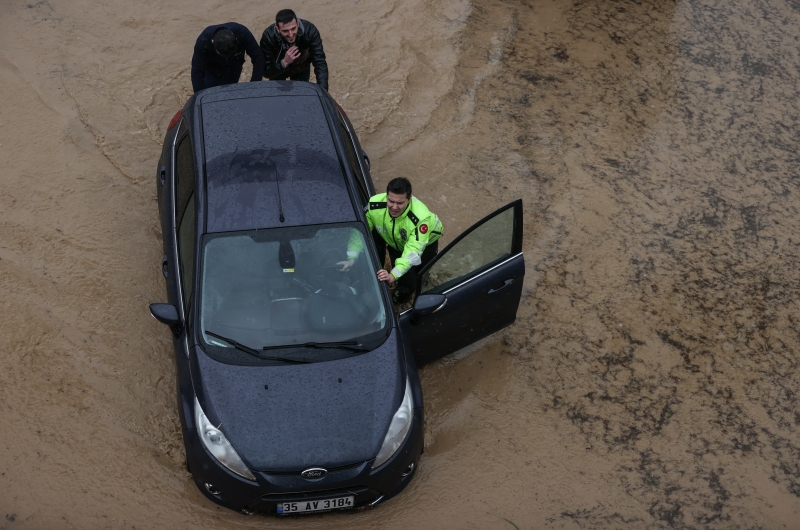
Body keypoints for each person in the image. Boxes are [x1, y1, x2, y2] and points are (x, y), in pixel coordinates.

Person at [341, 178, 444, 304]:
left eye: (400, 203)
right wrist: (352, 257)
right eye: (391, 201)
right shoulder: (374, 205)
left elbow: (412, 251)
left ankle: (406, 295)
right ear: (386, 196)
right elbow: (360, 233)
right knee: (404, 275)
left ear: (409, 199)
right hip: (395, 242)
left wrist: (392, 275)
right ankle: (400, 292)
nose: (394, 207)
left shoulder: (421, 219)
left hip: (425, 244)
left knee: (420, 273)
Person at [260, 9, 329, 91]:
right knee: (280, 96)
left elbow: (320, 62)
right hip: (277, 69)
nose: (291, 34)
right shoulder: (268, 37)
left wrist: (323, 92)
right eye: (285, 31)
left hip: (301, 67)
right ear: (277, 29)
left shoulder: (310, 31)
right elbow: (266, 71)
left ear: (298, 24)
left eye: (293, 29)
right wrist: (284, 63)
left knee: (300, 94)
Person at [191, 23, 265, 93]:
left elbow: (258, 57)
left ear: (236, 39)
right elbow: (197, 71)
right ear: (212, 42)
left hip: (234, 71)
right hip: (212, 73)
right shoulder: (203, 41)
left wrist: (254, 85)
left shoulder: (242, 33)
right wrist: (200, 98)